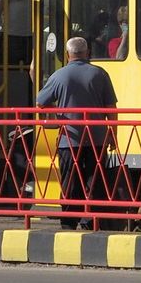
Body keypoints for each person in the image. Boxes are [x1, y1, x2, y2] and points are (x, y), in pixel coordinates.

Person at [36, 36, 119, 229]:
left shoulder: (59, 75)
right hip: (96, 138)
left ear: (67, 54)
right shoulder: (100, 74)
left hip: (69, 139)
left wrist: (58, 117)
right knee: (94, 179)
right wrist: (112, 135)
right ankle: (92, 220)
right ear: (87, 52)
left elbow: (40, 102)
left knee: (70, 180)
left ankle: (68, 220)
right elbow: (111, 108)